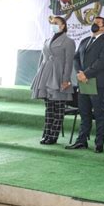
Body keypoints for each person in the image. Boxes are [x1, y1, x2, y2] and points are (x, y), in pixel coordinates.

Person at [66, 16, 104, 153]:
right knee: (84, 113)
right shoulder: (85, 40)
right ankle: (81, 141)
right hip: (83, 82)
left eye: (98, 23)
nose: (94, 24)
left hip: (96, 82)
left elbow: (102, 61)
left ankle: (99, 143)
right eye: (93, 22)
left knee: (99, 114)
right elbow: (76, 58)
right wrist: (80, 73)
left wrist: (86, 74)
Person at [31, 16, 76, 145]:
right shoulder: (47, 40)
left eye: (56, 23)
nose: (53, 25)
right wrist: (39, 76)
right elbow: (41, 60)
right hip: (45, 77)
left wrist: (66, 79)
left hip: (59, 78)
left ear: (63, 26)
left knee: (58, 109)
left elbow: (68, 63)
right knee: (49, 108)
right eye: (52, 23)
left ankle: (53, 136)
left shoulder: (68, 42)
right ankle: (46, 134)